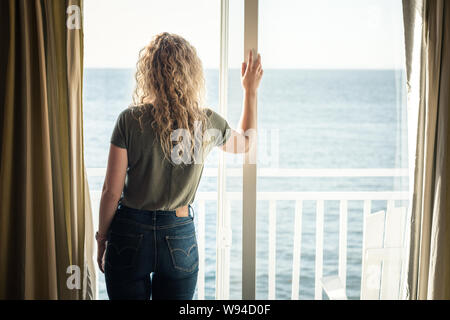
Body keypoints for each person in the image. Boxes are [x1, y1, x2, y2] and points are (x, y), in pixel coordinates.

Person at [95, 32, 263, 300]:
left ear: (148, 73)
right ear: (191, 72)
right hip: (178, 234)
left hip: (129, 232)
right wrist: (250, 91)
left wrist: (102, 239)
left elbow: (110, 192)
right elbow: (245, 143)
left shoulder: (129, 120)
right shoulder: (206, 122)